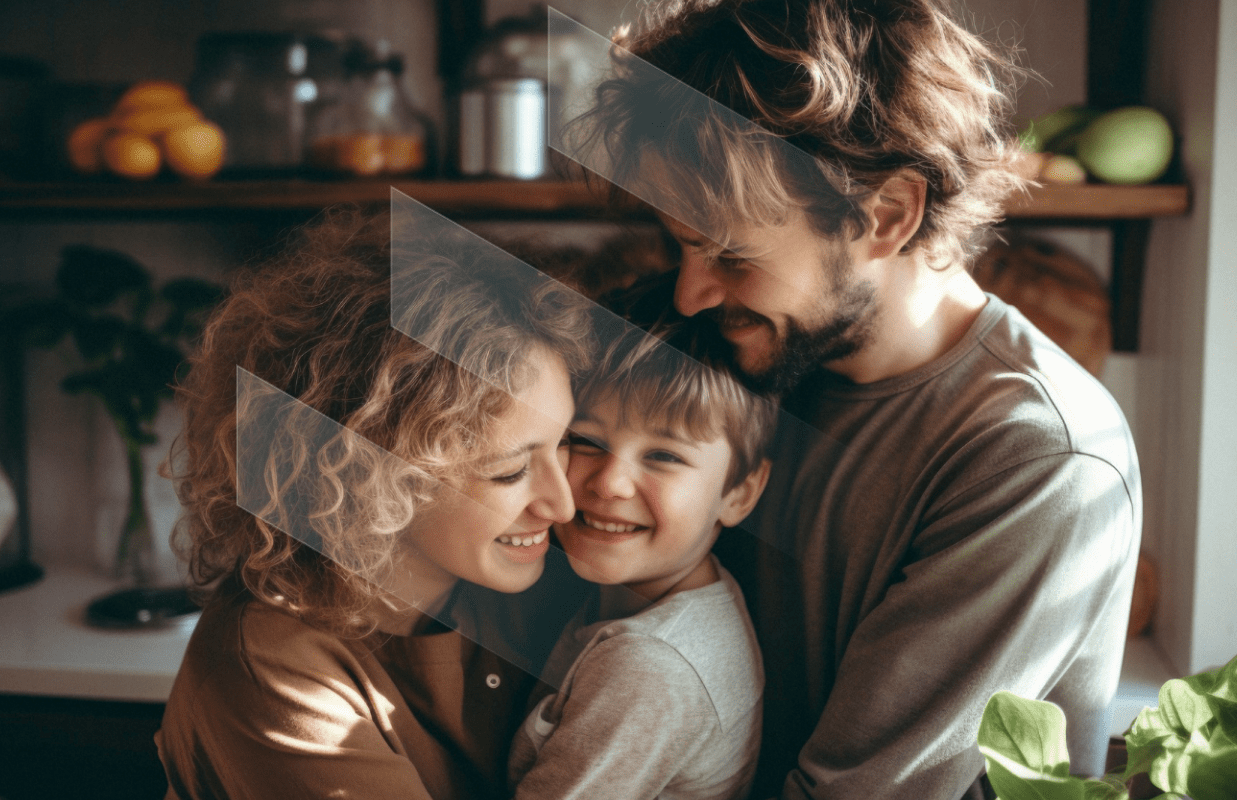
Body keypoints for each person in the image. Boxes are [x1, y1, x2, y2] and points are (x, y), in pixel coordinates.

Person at [574, 1, 1143, 797]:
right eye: (680, 244)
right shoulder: (750, 358)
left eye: (731, 255)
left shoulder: (1038, 457)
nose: (693, 292)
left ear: (885, 215)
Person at [155, 209, 594, 800]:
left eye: (565, 443)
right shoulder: (270, 670)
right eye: (509, 471)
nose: (563, 505)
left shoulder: (507, 586)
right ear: (371, 475)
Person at [507, 286, 774, 800]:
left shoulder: (650, 668)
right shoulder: (666, 594)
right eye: (586, 441)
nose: (610, 484)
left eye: (665, 457)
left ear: (738, 493)